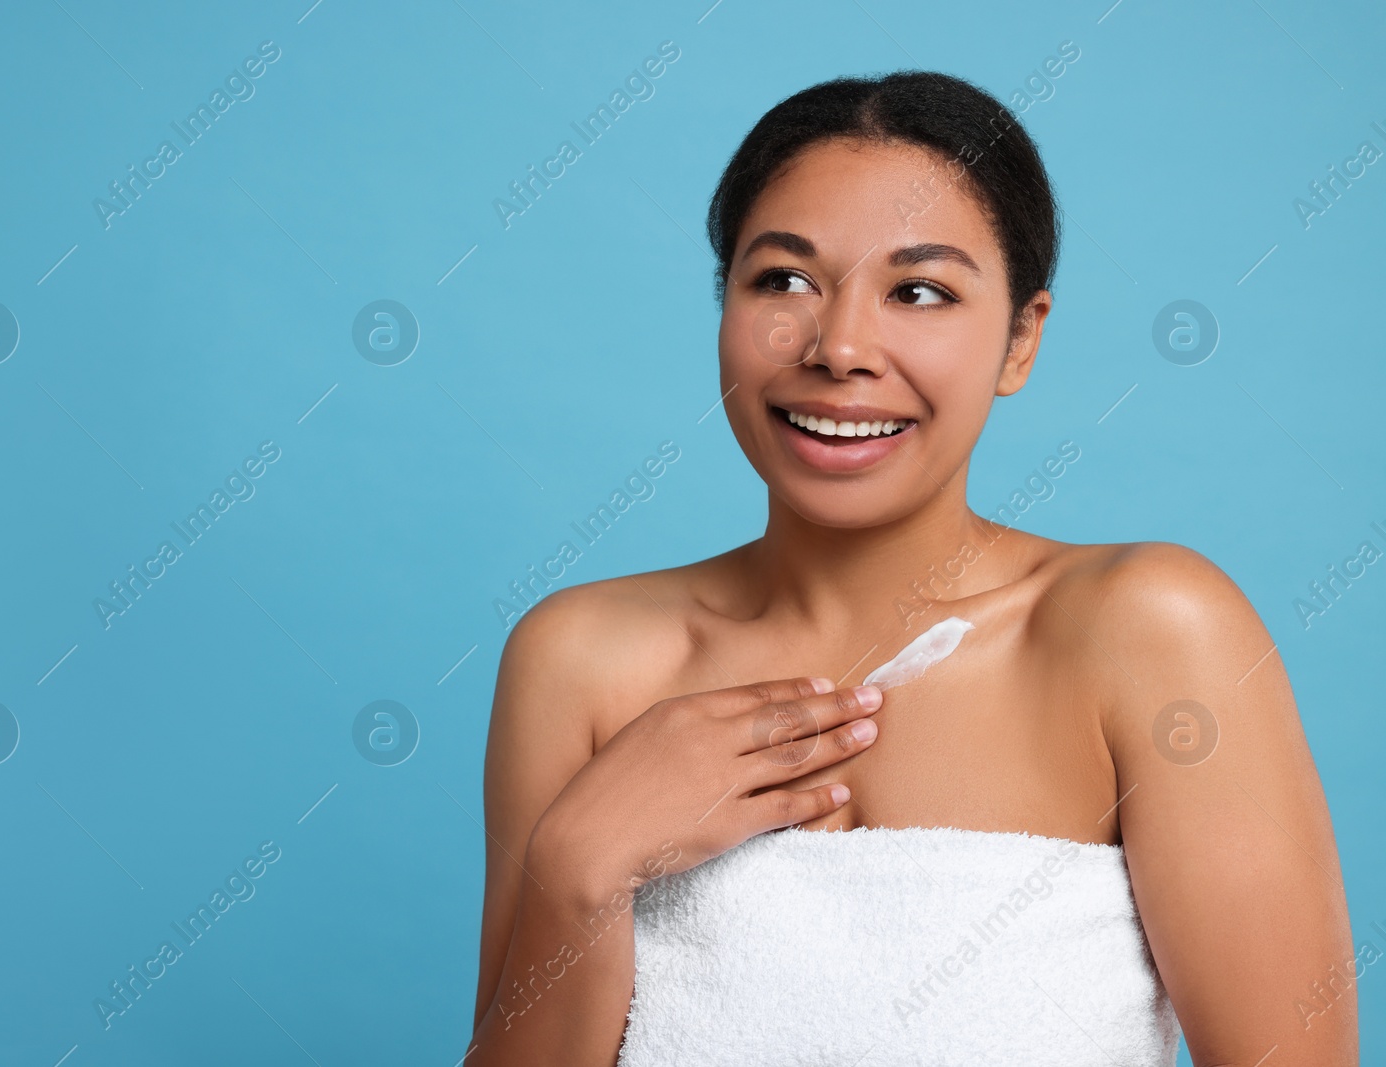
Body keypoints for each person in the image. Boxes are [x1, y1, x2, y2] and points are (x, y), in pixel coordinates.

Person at [463, 71, 1356, 1066]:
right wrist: (576, 867)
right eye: (782, 281)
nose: (840, 346)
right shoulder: (580, 658)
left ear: (1021, 338)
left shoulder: (1147, 631)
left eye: (919, 291)